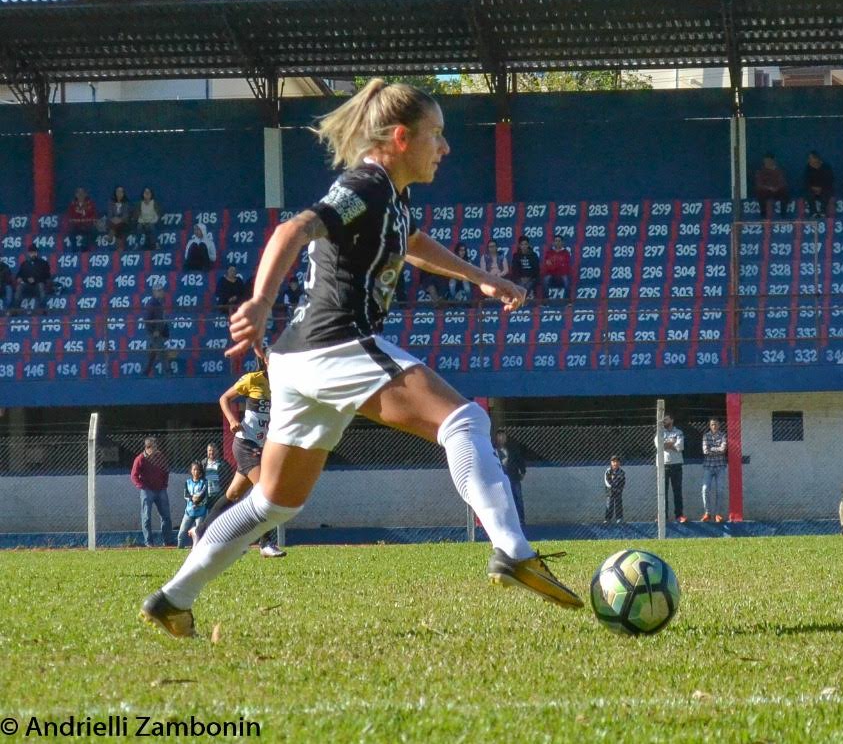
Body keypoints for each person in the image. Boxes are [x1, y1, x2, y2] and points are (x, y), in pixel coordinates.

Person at [140, 79, 581, 640]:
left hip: (297, 363)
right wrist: (261, 300)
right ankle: (514, 552)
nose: (445, 149)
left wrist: (482, 278)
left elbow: (413, 242)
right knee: (465, 421)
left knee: (272, 503)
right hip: (335, 344)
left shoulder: (391, 195)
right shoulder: (366, 184)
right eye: (436, 136)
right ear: (400, 138)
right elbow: (294, 228)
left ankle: (172, 599)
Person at [200, 349, 286, 557]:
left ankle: (201, 531)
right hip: (246, 444)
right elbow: (224, 398)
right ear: (265, 360)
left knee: (233, 495)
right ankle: (265, 543)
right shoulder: (253, 379)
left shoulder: (282, 384)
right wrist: (232, 420)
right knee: (266, 490)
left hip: (261, 446)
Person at [131, 436, 172, 547]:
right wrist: (142, 486)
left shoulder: (160, 457)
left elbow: (165, 470)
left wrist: (164, 484)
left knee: (166, 516)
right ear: (148, 448)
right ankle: (148, 542)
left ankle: (168, 541)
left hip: (160, 490)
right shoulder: (140, 459)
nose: (156, 449)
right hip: (147, 490)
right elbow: (134, 475)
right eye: (153, 447)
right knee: (146, 516)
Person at [494, 430, 526, 526]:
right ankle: (504, 521)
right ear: (496, 438)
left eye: (503, 436)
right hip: (499, 480)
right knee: (502, 500)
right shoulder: (493, 451)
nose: (502, 438)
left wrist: (523, 471)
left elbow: (520, 460)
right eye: (500, 436)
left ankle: (521, 520)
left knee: (517, 498)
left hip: (513, 478)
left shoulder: (512, 449)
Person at [658, 414, 685, 522]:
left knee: (677, 491)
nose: (664, 421)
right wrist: (672, 443)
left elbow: (680, 447)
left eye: (666, 419)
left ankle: (679, 515)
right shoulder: (660, 432)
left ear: (672, 420)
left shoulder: (678, 432)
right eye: (663, 419)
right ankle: (663, 516)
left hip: (676, 464)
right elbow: (658, 446)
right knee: (663, 492)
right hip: (663, 465)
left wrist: (666, 444)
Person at [176, 462, 209, 550]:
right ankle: (179, 548)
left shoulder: (204, 482)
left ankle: (199, 549)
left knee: (199, 533)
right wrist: (192, 499)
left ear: (200, 471)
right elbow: (186, 495)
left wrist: (197, 501)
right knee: (181, 533)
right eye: (194, 469)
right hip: (189, 512)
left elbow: (204, 496)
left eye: (197, 470)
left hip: (200, 512)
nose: (196, 472)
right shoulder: (187, 482)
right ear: (191, 471)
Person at [700, 418, 727, 522]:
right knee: (705, 489)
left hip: (720, 466)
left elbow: (723, 449)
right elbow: (705, 451)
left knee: (720, 490)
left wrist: (712, 448)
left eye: (715, 424)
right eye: (712, 424)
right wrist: (717, 449)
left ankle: (718, 514)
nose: (714, 426)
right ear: (709, 426)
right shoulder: (706, 436)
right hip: (708, 466)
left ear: (719, 425)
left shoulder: (723, 435)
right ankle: (707, 513)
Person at [142, 285, 172, 377]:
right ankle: (167, 373)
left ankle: (145, 372)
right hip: (155, 334)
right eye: (159, 290)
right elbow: (147, 319)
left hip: (158, 333)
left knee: (152, 354)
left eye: (162, 290)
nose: (162, 292)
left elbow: (160, 319)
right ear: (154, 292)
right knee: (162, 353)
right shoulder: (152, 303)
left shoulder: (158, 303)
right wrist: (154, 331)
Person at [16, 245, 51, 313]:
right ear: (28, 254)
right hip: (27, 285)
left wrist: (35, 279)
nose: (33, 254)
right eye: (31, 253)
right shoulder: (24, 264)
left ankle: (42, 309)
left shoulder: (43, 263)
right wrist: (20, 278)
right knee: (19, 287)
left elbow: (47, 276)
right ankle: (16, 309)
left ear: (37, 253)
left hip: (38, 285)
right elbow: (19, 275)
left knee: (41, 286)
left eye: (34, 252)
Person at [803, 151, 834, 218]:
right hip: (812, 189)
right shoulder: (808, 168)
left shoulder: (826, 167)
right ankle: (814, 213)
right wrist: (813, 188)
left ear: (816, 159)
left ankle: (823, 212)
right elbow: (806, 182)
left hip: (824, 189)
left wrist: (821, 188)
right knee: (808, 193)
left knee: (827, 192)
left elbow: (830, 180)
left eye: (811, 158)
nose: (809, 160)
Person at [65, 188, 97, 252]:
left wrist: (87, 221)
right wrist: (75, 221)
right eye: (78, 193)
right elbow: (70, 216)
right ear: (76, 195)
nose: (80, 195)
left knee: (93, 230)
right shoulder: (73, 204)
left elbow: (93, 215)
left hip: (87, 225)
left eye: (82, 193)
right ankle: (74, 250)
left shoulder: (90, 203)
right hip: (76, 225)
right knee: (71, 231)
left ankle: (84, 249)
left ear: (85, 194)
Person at [604, 456, 625, 524]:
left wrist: (618, 488)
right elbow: (607, 481)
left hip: (618, 490)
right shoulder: (608, 471)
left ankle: (619, 518)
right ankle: (608, 519)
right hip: (610, 491)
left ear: (619, 463)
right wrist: (611, 486)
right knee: (609, 504)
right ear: (611, 463)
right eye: (613, 462)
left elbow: (622, 481)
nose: (615, 463)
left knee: (618, 504)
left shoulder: (621, 472)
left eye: (617, 462)